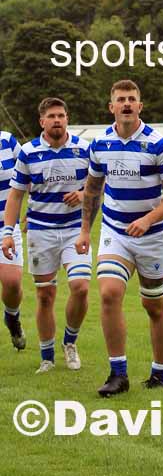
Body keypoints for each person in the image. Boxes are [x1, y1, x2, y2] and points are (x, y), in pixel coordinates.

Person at [75, 79, 163, 396]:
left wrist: (148, 220)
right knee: (109, 294)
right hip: (115, 233)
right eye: (121, 99)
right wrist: (85, 230)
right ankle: (118, 374)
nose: (126, 103)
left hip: (153, 237)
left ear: (140, 106)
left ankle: (160, 372)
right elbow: (92, 190)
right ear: (111, 106)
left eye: (131, 99)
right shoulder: (100, 144)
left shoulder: (159, 145)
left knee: (155, 306)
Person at [2, 98, 91, 373]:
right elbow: (16, 195)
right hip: (40, 232)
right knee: (45, 296)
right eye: (51, 116)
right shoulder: (29, 152)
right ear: (42, 121)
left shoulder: (84, 148)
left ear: (67, 118)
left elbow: (100, 183)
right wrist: (9, 231)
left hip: (75, 230)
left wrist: (84, 194)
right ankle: (47, 357)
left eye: (61, 115)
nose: (57, 120)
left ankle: (70, 342)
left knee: (81, 287)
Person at [0, 130, 25, 350]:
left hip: (6, 226)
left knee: (12, 282)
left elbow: (28, 173)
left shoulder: (7, 141)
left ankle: (12, 317)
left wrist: (34, 208)